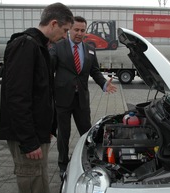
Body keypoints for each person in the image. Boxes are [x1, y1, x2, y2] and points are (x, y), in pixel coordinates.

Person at [0, 3, 73, 193]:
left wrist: (47, 127)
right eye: (65, 31)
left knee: (39, 179)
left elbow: (41, 93)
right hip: (26, 138)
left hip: (35, 132)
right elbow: (17, 98)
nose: (65, 36)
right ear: (53, 23)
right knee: (33, 182)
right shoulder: (25, 45)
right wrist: (29, 141)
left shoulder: (38, 46)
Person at [49, 16, 117, 179]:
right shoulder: (58, 47)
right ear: (70, 30)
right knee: (63, 135)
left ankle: (88, 161)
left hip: (82, 100)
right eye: (76, 30)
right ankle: (63, 165)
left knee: (86, 133)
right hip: (63, 99)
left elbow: (94, 71)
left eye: (82, 30)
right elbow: (48, 70)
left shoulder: (90, 49)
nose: (79, 33)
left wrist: (104, 84)